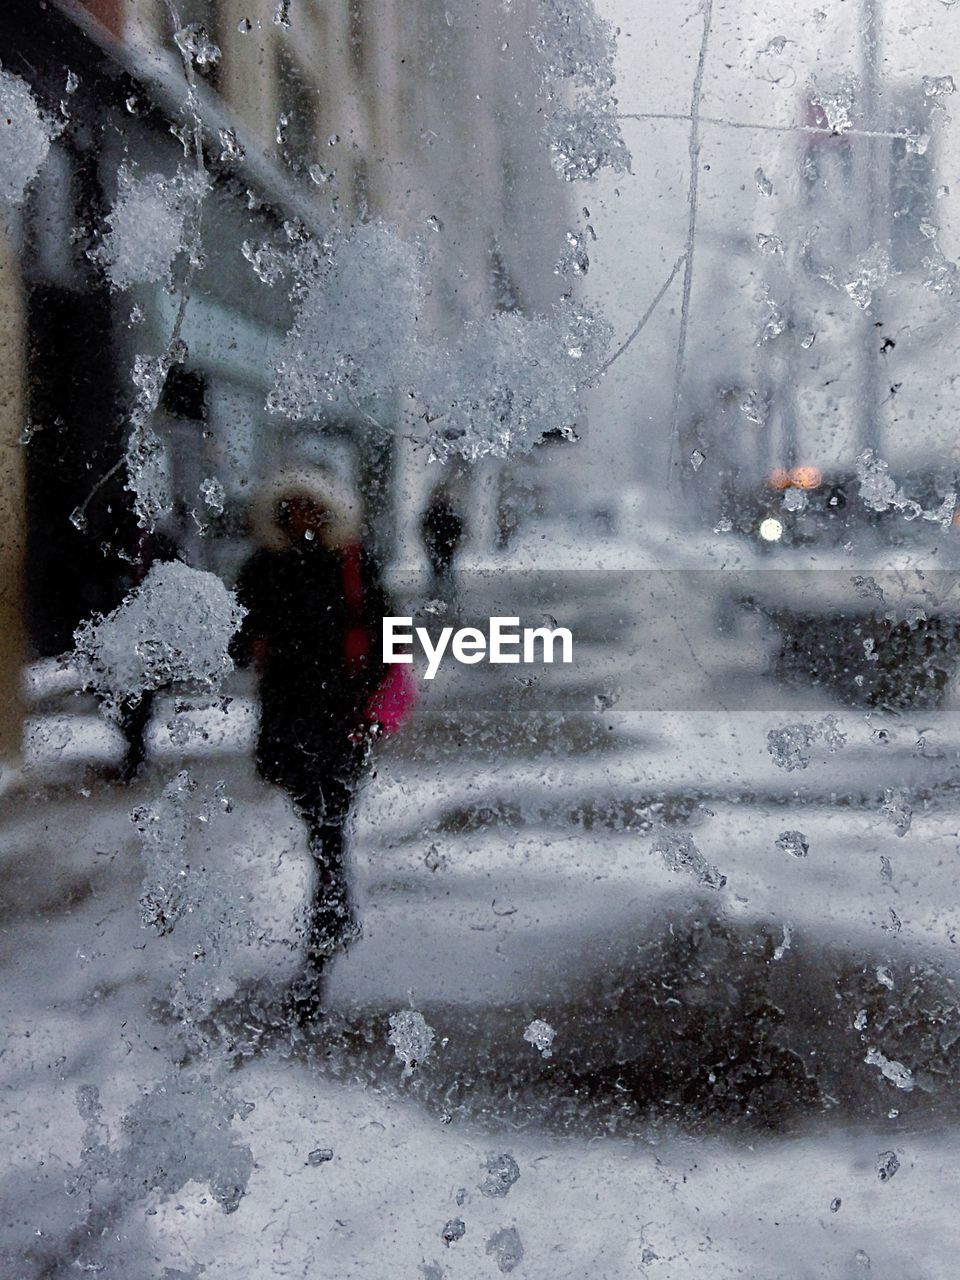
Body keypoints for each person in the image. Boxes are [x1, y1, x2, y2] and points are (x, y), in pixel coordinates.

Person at [232, 467, 393, 1006]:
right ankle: (334, 906)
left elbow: (387, 631)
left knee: (330, 826)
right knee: (319, 823)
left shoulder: (351, 563)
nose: (301, 519)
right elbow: (240, 632)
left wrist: (367, 700)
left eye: (310, 509)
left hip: (342, 715)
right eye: (290, 510)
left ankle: (324, 934)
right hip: (289, 714)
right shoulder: (263, 567)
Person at [420, 486, 464, 596]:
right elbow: (424, 528)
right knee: (437, 569)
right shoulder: (433, 512)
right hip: (437, 545)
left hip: (446, 545)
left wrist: (455, 541)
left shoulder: (447, 512)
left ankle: (446, 592)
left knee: (446, 568)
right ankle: (438, 591)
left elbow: (458, 527)